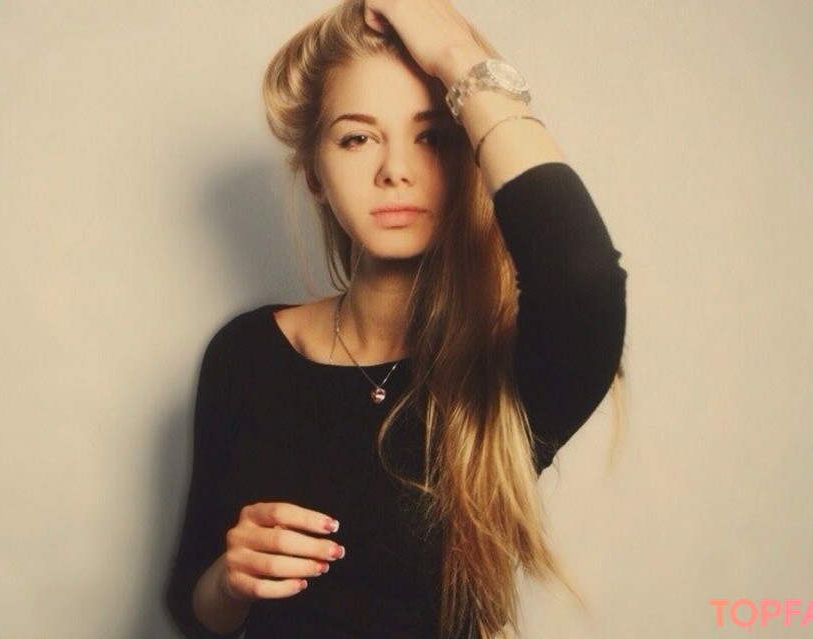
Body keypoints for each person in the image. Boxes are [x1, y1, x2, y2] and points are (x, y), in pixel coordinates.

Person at [166, 1, 626, 637]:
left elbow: (584, 277)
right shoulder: (245, 353)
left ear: (472, 158)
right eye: (357, 138)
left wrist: (463, 62)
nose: (395, 171)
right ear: (315, 173)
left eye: (433, 137)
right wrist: (229, 578)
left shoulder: (510, 371)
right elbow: (192, 614)